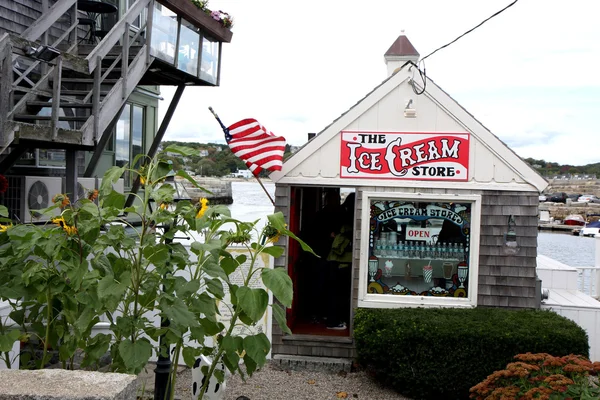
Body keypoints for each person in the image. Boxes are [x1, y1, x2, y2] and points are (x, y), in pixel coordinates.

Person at [325, 192, 355, 330]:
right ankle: (334, 321)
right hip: (343, 261)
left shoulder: (337, 214)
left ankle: (332, 318)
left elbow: (332, 235)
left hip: (333, 259)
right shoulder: (350, 219)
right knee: (340, 292)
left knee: (333, 291)